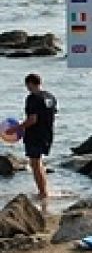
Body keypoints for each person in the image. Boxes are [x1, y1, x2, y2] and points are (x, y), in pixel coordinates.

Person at [20, 73, 56, 205]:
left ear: (30, 84)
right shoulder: (50, 97)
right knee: (38, 162)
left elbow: (32, 119)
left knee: (35, 163)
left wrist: (18, 128)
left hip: (35, 134)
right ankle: (44, 190)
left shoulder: (32, 98)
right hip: (47, 133)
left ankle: (43, 192)